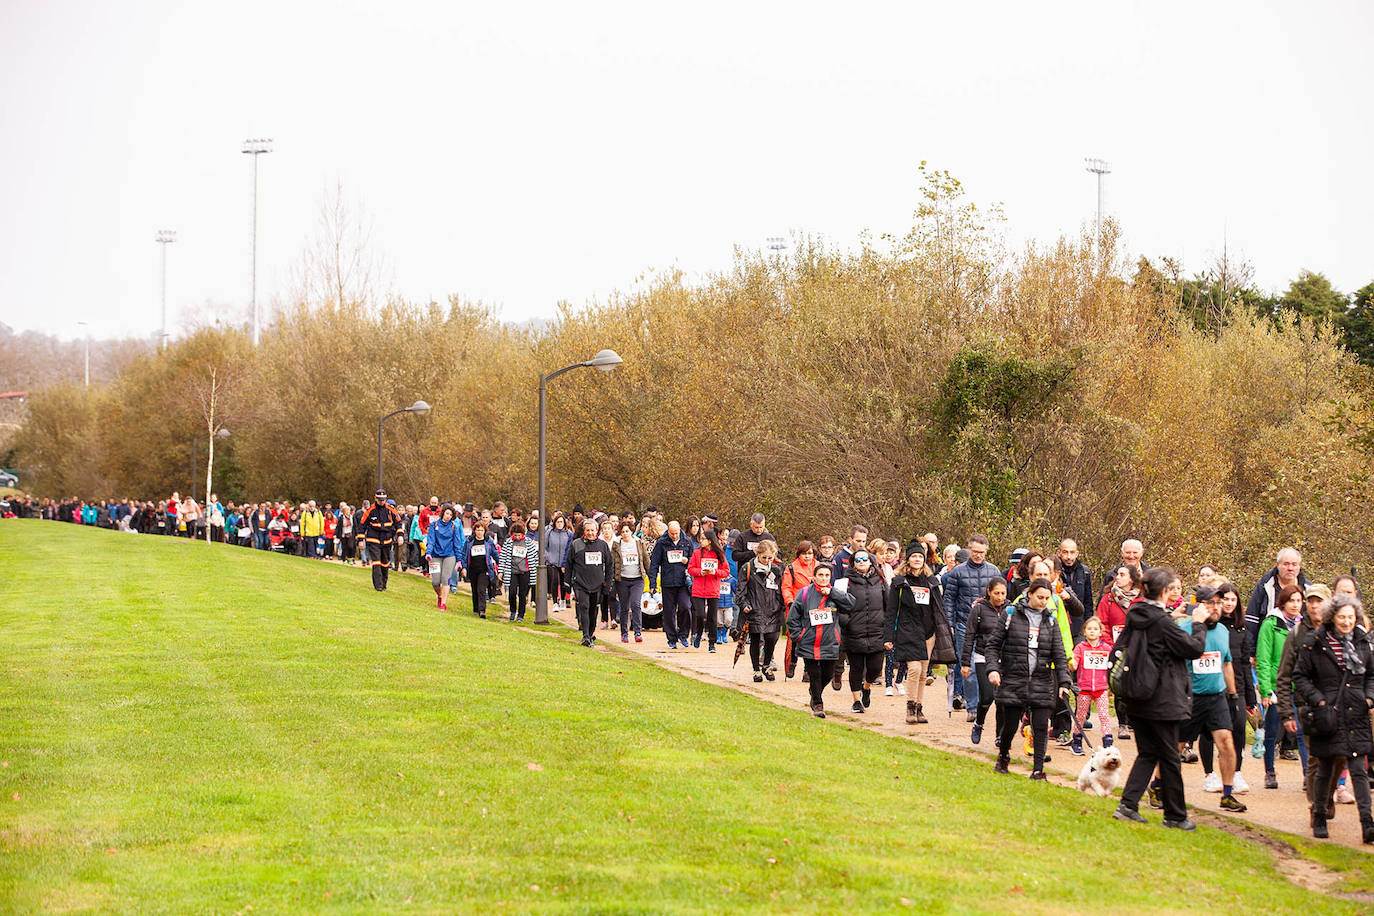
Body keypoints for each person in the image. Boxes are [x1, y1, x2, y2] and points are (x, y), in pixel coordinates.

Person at [1113, 568, 1210, 829]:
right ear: (1165, 592)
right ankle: (1175, 816)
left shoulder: (1136, 613)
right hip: (1161, 698)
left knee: (1148, 753)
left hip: (1135, 694)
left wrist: (1170, 616)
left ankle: (1128, 805)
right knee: (1169, 757)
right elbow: (1194, 648)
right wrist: (1199, 622)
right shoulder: (1162, 622)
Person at [1293, 593, 1374, 842]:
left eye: (1350, 617)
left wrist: (1369, 698)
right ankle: (1319, 815)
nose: (1347, 622)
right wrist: (1318, 699)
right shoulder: (1315, 642)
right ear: (1332, 617)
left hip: (1356, 713)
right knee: (1325, 768)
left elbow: (1371, 674)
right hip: (1327, 714)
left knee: (1359, 771)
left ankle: (1367, 824)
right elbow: (1300, 676)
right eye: (1342, 617)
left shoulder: (1363, 642)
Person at [985, 579, 1074, 779]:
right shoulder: (1011, 615)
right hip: (1014, 678)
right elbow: (992, 646)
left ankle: (1038, 769)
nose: (1043, 602)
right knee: (1010, 724)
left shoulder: (1050, 621)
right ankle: (1004, 755)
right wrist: (993, 669)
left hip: (1041, 680)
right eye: (1040, 597)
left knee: (1041, 725)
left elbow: (1059, 655)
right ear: (1030, 595)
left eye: (1047, 598)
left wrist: (1064, 682)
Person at [1176, 587, 1247, 812]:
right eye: (1210, 603)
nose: (1216, 608)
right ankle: (1157, 785)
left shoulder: (1224, 631)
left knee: (1226, 742)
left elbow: (1226, 664)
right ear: (1199, 605)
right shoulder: (1185, 629)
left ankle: (1227, 795)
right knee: (1175, 747)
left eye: (1219, 603)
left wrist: (1233, 696)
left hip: (1216, 697)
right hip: (1190, 698)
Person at [1277, 583, 1332, 808]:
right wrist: (1286, 714)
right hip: (1306, 707)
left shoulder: (1337, 630)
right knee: (1316, 758)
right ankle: (1317, 807)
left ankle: (1325, 799)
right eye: (1310, 601)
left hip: (1335, 705)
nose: (1314, 605)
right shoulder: (1297, 634)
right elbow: (1284, 675)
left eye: (1319, 601)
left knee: (1336, 757)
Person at [889, 542, 952, 726]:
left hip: (928, 632)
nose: (917, 559)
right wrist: (888, 637)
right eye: (914, 556)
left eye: (920, 557)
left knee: (923, 672)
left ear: (924, 560)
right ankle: (909, 706)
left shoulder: (931, 581)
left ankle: (919, 706)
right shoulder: (899, 582)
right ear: (908, 559)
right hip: (908, 631)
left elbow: (938, 608)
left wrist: (944, 630)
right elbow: (891, 610)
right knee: (914, 669)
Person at [1201, 582, 1255, 795]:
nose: (1229, 604)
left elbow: (1243, 661)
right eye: (1225, 600)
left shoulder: (1241, 627)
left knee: (1239, 727)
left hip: (1238, 685)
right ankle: (1209, 774)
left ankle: (1237, 772)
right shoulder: (1209, 624)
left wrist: (1250, 696)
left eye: (1233, 600)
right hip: (1212, 684)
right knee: (1208, 731)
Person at [942, 534, 1001, 715]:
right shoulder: (957, 573)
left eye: (981, 552)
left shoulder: (993, 572)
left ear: (986, 551)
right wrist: (950, 623)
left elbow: (1001, 597)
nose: (978, 555)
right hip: (963, 625)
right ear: (969, 550)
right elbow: (949, 600)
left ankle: (985, 701)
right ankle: (973, 707)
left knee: (989, 666)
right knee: (968, 666)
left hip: (989, 626)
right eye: (975, 552)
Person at [786, 563, 855, 718]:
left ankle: (814, 691)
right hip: (809, 642)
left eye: (826, 575)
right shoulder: (804, 593)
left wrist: (833, 593)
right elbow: (792, 618)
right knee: (814, 674)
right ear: (814, 577)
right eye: (820, 575)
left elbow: (851, 604)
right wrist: (799, 635)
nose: (823, 578)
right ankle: (818, 703)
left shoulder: (835, 593)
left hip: (829, 642)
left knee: (827, 674)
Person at [1257, 583, 1305, 788]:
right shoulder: (1271, 624)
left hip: (1299, 686)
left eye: (1298, 601)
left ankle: (1308, 775)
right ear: (1283, 603)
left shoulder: (1304, 626)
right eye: (1291, 601)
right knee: (1272, 730)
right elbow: (1264, 657)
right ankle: (1269, 771)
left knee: (1302, 732)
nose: (1295, 605)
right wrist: (1266, 688)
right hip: (1278, 686)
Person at [1096, 563, 1142, 740]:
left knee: (1137, 684)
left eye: (1122, 574)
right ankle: (1122, 723)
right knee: (1120, 684)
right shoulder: (1108, 598)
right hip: (1115, 646)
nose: (1118, 577)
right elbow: (1102, 622)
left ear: (1132, 578)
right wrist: (1110, 643)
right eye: (1117, 574)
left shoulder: (1140, 599)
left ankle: (1135, 721)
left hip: (1137, 647)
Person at [960, 577, 1009, 744]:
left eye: (1003, 593)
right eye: (997, 593)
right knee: (988, 696)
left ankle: (1000, 735)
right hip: (983, 656)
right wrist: (965, 662)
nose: (1000, 597)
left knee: (1002, 699)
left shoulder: (1010, 609)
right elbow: (969, 636)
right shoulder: (979, 609)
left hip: (1004, 658)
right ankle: (979, 722)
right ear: (989, 592)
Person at [841, 550, 888, 714]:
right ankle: (856, 701)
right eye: (857, 559)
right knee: (856, 668)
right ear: (853, 562)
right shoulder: (845, 582)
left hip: (877, 631)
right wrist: (845, 621)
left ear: (870, 562)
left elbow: (888, 605)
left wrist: (889, 629)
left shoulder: (880, 580)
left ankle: (866, 687)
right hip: (854, 632)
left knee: (875, 668)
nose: (861, 562)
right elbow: (839, 604)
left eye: (864, 559)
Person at [737, 539, 786, 682]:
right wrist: (744, 604)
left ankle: (766, 664)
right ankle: (756, 670)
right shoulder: (747, 568)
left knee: (772, 638)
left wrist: (781, 605)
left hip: (773, 609)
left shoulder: (776, 570)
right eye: (763, 557)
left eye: (769, 558)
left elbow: (781, 589)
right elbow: (740, 590)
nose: (766, 560)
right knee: (756, 639)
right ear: (758, 554)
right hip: (755, 609)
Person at [1246, 547, 1308, 647]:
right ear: (1277, 565)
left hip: (1299, 646)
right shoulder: (1265, 586)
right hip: (1268, 646)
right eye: (1286, 564)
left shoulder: (1308, 589)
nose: (1290, 568)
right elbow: (1252, 618)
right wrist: (1251, 651)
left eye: (1294, 564)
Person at [1070, 617, 1114, 755]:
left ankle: (1108, 744)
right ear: (1084, 631)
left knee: (1104, 716)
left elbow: (1112, 665)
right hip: (1084, 689)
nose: (1092, 632)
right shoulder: (1080, 647)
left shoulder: (1106, 648)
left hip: (1101, 688)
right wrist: (1072, 663)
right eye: (1089, 629)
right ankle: (1076, 742)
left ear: (1101, 632)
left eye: (1095, 629)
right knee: (1081, 716)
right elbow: (1074, 663)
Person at [567, 518, 613, 647]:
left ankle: (591, 633)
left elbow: (609, 566)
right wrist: (567, 583)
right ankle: (585, 636)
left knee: (593, 610)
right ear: (584, 531)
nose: (590, 533)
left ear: (597, 531)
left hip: (597, 584)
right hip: (581, 583)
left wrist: (607, 584)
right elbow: (569, 564)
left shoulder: (602, 545)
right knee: (584, 607)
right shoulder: (576, 544)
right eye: (588, 530)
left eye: (593, 530)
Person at [649, 521, 694, 650]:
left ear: (680, 530)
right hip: (668, 582)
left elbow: (694, 560)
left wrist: (688, 561)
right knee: (669, 612)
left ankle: (684, 635)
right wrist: (653, 583)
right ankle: (671, 638)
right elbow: (654, 564)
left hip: (683, 582)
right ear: (668, 531)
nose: (674, 536)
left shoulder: (687, 542)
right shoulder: (662, 543)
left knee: (685, 607)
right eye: (672, 534)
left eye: (676, 533)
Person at [687, 527, 731, 652]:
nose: (701, 541)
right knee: (700, 615)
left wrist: (714, 571)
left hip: (713, 589)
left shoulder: (719, 554)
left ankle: (712, 643)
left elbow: (726, 571)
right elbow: (690, 569)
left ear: (710, 541)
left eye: (703, 539)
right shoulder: (696, 553)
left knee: (712, 617)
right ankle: (698, 634)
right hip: (699, 589)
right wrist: (700, 572)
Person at [781, 540, 817, 680]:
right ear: (799, 554)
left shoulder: (818, 567)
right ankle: (793, 662)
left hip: (814, 607)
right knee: (795, 638)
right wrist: (790, 602)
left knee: (812, 639)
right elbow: (786, 587)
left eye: (810, 553)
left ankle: (808, 670)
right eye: (804, 554)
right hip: (797, 607)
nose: (807, 557)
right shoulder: (791, 568)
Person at [611, 521, 649, 643]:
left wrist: (651, 577)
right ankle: (624, 633)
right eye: (622, 532)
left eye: (627, 531)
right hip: (622, 579)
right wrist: (611, 578)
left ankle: (638, 632)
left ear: (631, 531)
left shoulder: (639, 543)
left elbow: (646, 560)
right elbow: (612, 562)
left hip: (637, 579)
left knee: (636, 604)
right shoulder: (617, 544)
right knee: (624, 607)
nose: (625, 534)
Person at [358, 490, 403, 591]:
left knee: (385, 563)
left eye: (383, 500)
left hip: (387, 539)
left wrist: (400, 535)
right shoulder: (370, 510)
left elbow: (399, 523)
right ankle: (378, 586)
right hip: (373, 539)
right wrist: (360, 540)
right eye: (379, 500)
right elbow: (362, 526)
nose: (381, 502)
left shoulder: (391, 510)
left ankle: (384, 584)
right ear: (375, 498)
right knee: (376, 562)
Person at [499, 523, 538, 623]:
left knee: (522, 594)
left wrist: (535, 570)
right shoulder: (508, 542)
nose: (517, 537)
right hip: (512, 571)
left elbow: (534, 557)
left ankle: (521, 614)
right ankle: (512, 610)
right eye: (515, 535)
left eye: (519, 535)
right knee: (512, 592)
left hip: (525, 572)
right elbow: (503, 557)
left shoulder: (528, 542)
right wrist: (501, 571)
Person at [425, 505, 462, 610]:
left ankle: (443, 604)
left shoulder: (454, 527)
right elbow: (431, 540)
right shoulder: (434, 525)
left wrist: (459, 560)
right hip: (435, 555)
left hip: (449, 556)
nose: (448, 516)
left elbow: (457, 544)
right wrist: (428, 553)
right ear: (443, 513)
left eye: (451, 515)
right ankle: (440, 596)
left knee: (446, 579)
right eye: (447, 513)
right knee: (435, 582)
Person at [463, 521, 499, 619]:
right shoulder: (469, 541)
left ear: (485, 531)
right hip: (473, 569)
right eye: (478, 530)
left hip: (485, 569)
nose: (479, 532)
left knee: (481, 589)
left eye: (481, 530)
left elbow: (495, 553)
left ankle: (482, 610)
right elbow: (465, 555)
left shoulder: (489, 541)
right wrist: (464, 568)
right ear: (474, 531)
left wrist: (500, 564)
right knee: (474, 589)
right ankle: (476, 609)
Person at [1057, 538, 1094, 634]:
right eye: (1065, 552)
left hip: (1079, 625)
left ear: (1077, 554)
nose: (1069, 557)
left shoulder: (1085, 572)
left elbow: (1088, 602)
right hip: (1059, 623)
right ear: (1059, 553)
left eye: (1072, 552)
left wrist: (1089, 624)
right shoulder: (1053, 571)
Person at [545, 513, 573, 610]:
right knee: (555, 580)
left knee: (563, 582)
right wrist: (548, 557)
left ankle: (562, 600)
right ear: (554, 523)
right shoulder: (549, 532)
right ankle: (555, 602)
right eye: (558, 522)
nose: (560, 524)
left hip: (564, 563)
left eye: (561, 522)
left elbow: (571, 548)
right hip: (553, 561)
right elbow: (544, 546)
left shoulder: (569, 534)